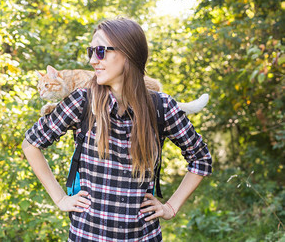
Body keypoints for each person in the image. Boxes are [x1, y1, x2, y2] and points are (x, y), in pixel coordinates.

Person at [22, 17, 212, 241]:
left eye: (100, 51)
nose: (93, 60)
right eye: (90, 51)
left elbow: (201, 159)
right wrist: (61, 199)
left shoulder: (161, 107)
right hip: (87, 235)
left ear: (128, 54)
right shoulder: (82, 102)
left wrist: (170, 207)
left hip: (143, 237)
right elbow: (31, 144)